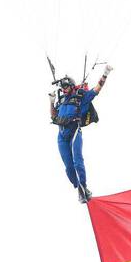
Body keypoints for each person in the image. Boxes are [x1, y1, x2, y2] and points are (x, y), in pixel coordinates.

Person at [50, 65, 112, 203]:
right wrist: (51, 102)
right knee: (68, 167)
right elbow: (53, 117)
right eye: (62, 87)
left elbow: (97, 89)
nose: (63, 90)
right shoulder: (61, 101)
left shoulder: (80, 97)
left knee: (77, 162)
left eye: (66, 86)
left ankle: (83, 187)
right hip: (61, 136)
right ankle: (78, 187)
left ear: (71, 86)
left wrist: (105, 74)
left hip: (74, 132)